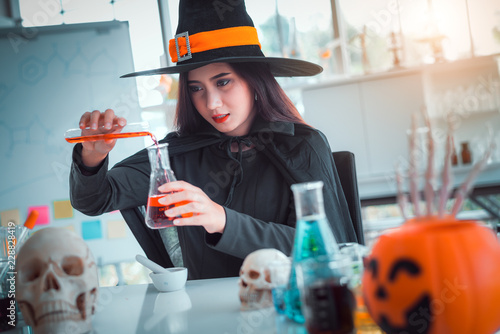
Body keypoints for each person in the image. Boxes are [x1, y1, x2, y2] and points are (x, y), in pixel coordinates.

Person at [70, 0, 358, 280]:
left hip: (288, 312)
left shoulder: (303, 146)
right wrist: (92, 158)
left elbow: (321, 250)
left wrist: (219, 219)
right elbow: (95, 199)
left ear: (253, 79)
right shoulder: (175, 154)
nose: (211, 103)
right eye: (196, 88)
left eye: (223, 82)